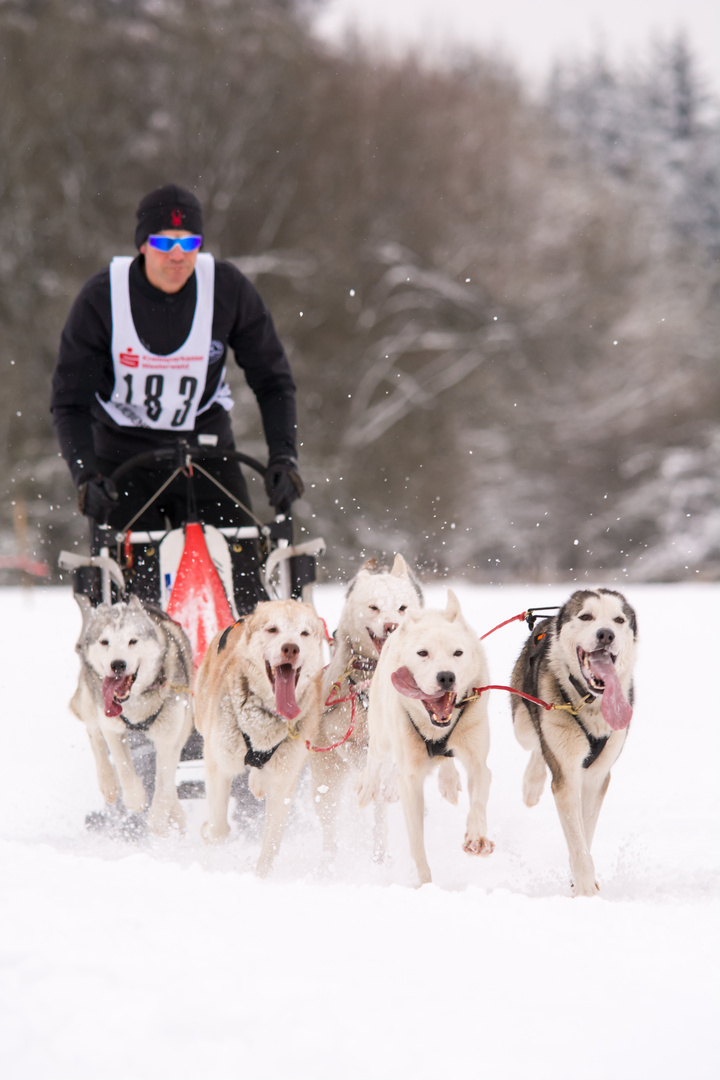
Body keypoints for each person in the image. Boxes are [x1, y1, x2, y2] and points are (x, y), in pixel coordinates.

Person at [51, 183, 304, 612]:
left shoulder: (226, 290)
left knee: (247, 579)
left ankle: (245, 666)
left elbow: (274, 381)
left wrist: (283, 458)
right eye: (164, 242)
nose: (177, 254)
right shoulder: (102, 298)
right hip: (123, 455)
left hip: (206, 451)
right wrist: (85, 476)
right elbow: (69, 402)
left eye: (188, 242)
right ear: (143, 245)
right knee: (134, 603)